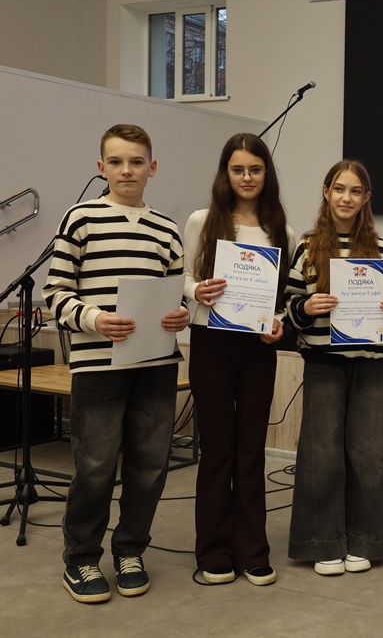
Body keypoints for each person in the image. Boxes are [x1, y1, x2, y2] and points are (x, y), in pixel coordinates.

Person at [43, 124, 191, 603]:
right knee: (96, 465)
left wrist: (181, 314)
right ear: (101, 167)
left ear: (152, 167)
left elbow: (177, 293)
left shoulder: (167, 228)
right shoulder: (80, 218)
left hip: (155, 363)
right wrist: (95, 319)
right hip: (98, 365)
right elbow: (55, 292)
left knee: (150, 465)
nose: (127, 170)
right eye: (116, 161)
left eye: (136, 161)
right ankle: (81, 559)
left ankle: (130, 551)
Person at [183, 133, 294, 587]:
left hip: (257, 349)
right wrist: (197, 290)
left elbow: (282, 298)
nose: (247, 177)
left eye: (255, 169)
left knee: (250, 451)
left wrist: (279, 323)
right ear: (225, 173)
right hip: (210, 342)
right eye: (238, 169)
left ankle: (253, 550)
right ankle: (213, 551)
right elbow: (183, 277)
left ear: (267, 174)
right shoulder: (202, 221)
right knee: (217, 451)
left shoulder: (281, 230)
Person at [285, 160, 383, 575]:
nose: (346, 198)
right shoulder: (306, 247)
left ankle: (365, 541)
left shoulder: (382, 250)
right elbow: (288, 307)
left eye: (355, 191)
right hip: (322, 363)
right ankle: (323, 542)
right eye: (339, 189)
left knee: (367, 454)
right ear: (326, 192)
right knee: (321, 455)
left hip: (369, 365)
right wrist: (306, 307)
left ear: (366, 198)